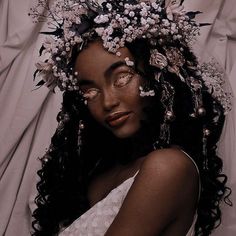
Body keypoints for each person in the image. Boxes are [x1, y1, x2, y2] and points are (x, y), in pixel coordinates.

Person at [30, 0, 232, 235]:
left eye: (122, 78)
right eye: (89, 91)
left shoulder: (168, 167)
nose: (108, 102)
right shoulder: (98, 170)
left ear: (157, 73)